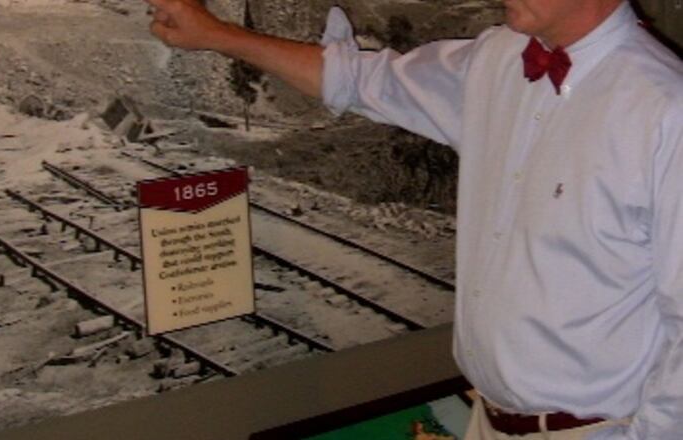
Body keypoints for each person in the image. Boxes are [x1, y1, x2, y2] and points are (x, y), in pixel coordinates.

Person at [145, 0, 683, 438]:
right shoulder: (498, 58)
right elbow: (358, 80)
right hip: (490, 421)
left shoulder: (664, 112)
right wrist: (216, 34)